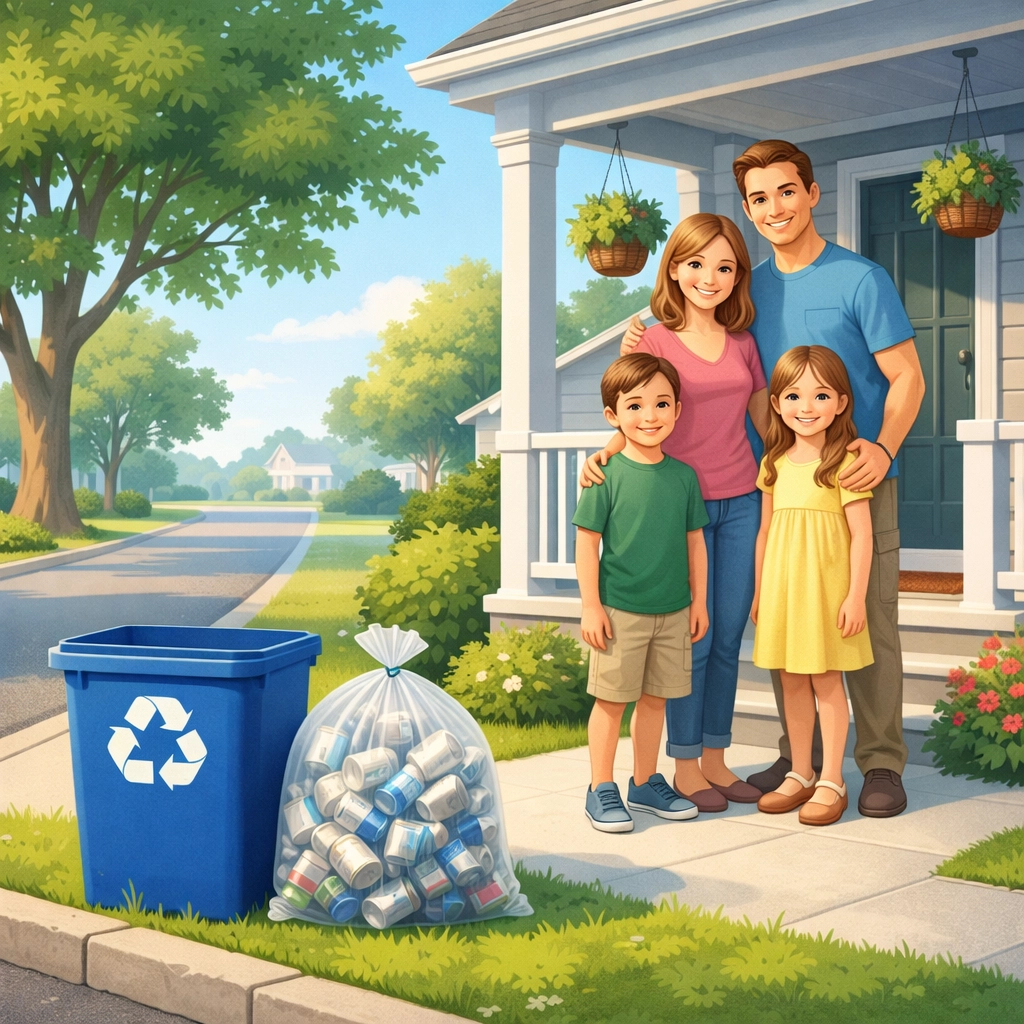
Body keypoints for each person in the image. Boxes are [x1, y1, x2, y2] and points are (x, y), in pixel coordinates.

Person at [620, 139, 926, 818]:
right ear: (748, 209)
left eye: (787, 191)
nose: (775, 208)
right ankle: (799, 759)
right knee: (789, 616)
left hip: (857, 476)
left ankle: (880, 763)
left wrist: (883, 447)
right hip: (778, 486)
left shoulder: (860, 279)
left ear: (812, 194)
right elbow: (708, 363)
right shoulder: (745, 287)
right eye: (759, 198)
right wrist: (637, 351)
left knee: (864, 620)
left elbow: (908, 375)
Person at [581, 213, 768, 812]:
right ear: (674, 269)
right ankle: (684, 767)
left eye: (724, 267)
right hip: (678, 507)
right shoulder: (653, 340)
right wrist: (606, 451)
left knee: (728, 636)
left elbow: (764, 419)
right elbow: (635, 405)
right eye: (695, 264)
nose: (709, 278)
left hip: (741, 501)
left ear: (737, 276)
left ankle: (715, 759)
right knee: (694, 639)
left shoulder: (744, 343)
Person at [573, 352, 710, 833]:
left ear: (677, 410)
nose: (649, 416)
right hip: (619, 611)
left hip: (673, 611)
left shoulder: (684, 477)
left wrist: (699, 601)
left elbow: (695, 543)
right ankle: (600, 787)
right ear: (613, 415)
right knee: (612, 702)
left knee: (655, 700)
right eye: (635, 406)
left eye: (661, 404)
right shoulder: (604, 475)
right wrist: (591, 606)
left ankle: (645, 782)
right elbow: (587, 544)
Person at [752, 346, 873, 826]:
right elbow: (765, 532)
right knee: (791, 681)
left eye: (820, 395)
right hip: (783, 592)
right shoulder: (774, 463)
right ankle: (800, 772)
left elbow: (862, 534)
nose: (806, 407)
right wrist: (760, 592)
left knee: (827, 683)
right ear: (777, 404)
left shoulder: (845, 462)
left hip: (826, 593)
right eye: (794, 396)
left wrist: (855, 596)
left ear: (840, 403)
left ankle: (832, 780)